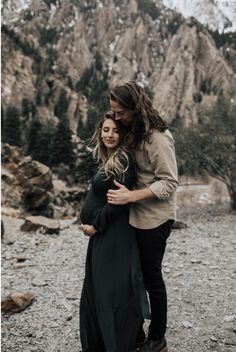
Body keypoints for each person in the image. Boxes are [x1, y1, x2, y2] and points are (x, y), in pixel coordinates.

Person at [107, 81, 179, 352]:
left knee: (151, 278)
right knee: (130, 277)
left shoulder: (157, 137)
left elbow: (170, 182)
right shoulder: (131, 130)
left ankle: (157, 338)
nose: (117, 118)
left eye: (121, 112)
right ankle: (135, 333)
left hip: (155, 219)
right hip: (134, 216)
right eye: (113, 112)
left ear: (135, 108)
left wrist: (131, 197)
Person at [79, 111, 148, 352]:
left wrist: (95, 224)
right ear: (100, 132)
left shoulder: (123, 160)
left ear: (123, 134)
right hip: (104, 235)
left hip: (114, 234)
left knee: (112, 292)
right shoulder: (110, 158)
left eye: (115, 130)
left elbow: (118, 203)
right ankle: (107, 340)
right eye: (106, 130)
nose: (110, 134)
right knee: (101, 289)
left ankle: (117, 343)